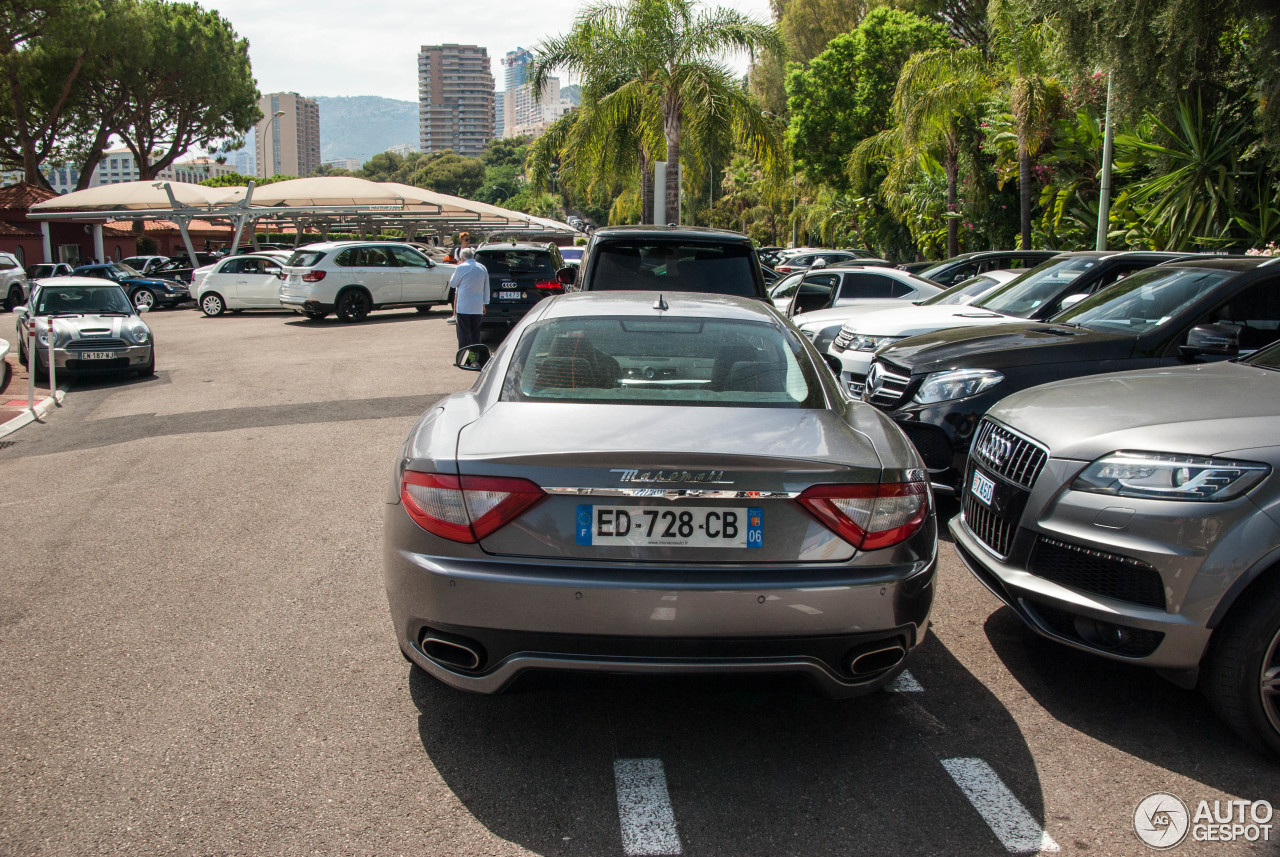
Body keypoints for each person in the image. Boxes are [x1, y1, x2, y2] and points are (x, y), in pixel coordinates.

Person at [448, 247, 488, 354]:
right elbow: (486, 287)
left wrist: (458, 267)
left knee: (463, 335)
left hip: (464, 307)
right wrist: (485, 303)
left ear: (462, 258)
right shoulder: (482, 268)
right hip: (477, 306)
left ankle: (461, 357)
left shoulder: (461, 268)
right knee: (475, 334)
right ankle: (474, 358)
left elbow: (452, 284)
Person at [446, 231, 472, 324]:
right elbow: (457, 262)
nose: (468, 241)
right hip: (460, 273)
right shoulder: (458, 251)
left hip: (468, 275)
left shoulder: (471, 250)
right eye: (466, 240)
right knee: (456, 294)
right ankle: (454, 314)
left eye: (469, 239)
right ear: (461, 240)